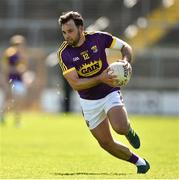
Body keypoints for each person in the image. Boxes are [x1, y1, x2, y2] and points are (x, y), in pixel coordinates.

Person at [57, 11, 150, 174]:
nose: (67, 36)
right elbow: (76, 84)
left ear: (81, 28)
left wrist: (126, 62)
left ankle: (128, 130)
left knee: (120, 127)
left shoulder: (99, 38)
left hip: (109, 92)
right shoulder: (64, 53)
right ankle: (140, 162)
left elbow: (125, 47)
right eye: (64, 32)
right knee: (106, 143)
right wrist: (100, 78)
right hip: (88, 101)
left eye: (70, 31)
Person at [1, 35, 29, 127]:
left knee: (16, 101)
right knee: (14, 100)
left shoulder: (21, 54)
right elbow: (6, 68)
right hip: (12, 81)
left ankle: (4, 115)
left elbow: (23, 68)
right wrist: (16, 69)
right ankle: (16, 121)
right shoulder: (10, 54)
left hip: (19, 81)